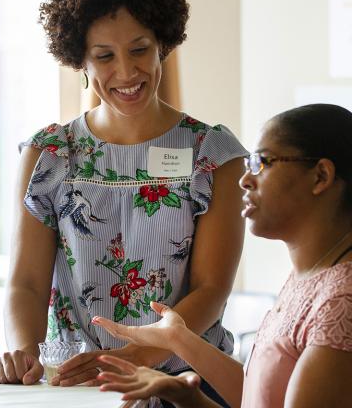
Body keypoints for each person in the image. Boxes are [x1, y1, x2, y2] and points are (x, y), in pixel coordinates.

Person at [0, 0, 247, 406]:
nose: (126, 72)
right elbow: (26, 282)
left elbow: (211, 289)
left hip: (187, 386)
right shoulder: (49, 154)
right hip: (77, 388)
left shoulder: (214, 154)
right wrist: (24, 352)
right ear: (80, 61)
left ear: (163, 42)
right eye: (104, 55)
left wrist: (135, 357)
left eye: (140, 50)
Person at [92, 103, 352, 408]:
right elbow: (259, 395)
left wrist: (189, 398)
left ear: (320, 176)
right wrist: (178, 340)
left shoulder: (341, 301)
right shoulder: (311, 277)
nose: (245, 180)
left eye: (262, 163)